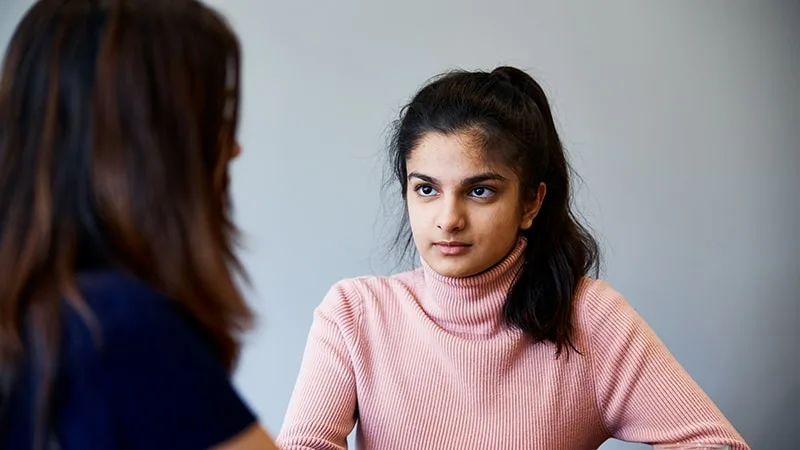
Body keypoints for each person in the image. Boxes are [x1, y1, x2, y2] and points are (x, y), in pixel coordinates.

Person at [277, 66, 750, 449]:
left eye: (479, 191)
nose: (448, 219)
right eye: (426, 189)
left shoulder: (590, 316)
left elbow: (716, 444)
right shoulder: (355, 313)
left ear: (530, 203)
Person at [0, 1, 279, 449]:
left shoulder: (39, 315)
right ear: (152, 140)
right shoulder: (114, 328)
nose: (234, 148)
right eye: (216, 119)